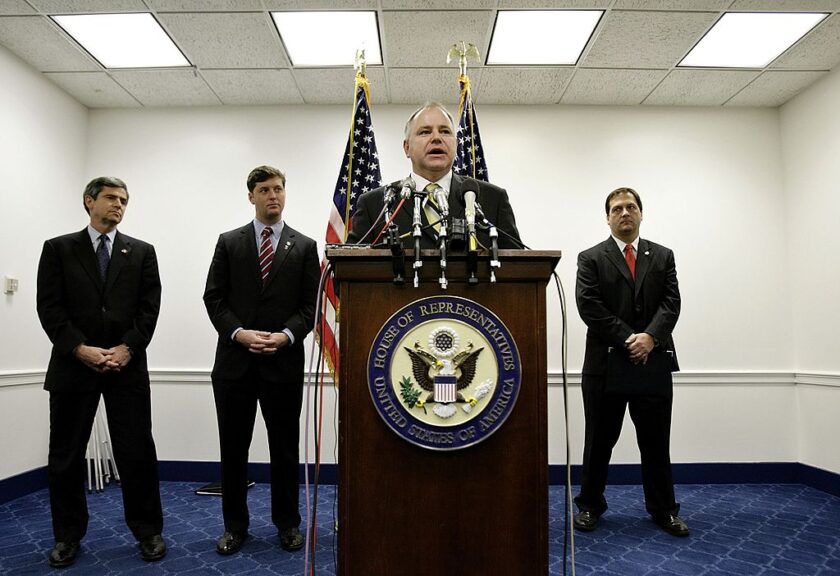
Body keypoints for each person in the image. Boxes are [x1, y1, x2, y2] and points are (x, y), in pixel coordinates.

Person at [36, 176, 166, 567]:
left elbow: (149, 309)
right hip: (73, 366)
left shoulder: (141, 252)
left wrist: (128, 348)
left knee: (137, 452)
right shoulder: (59, 249)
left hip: (126, 366)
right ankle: (67, 537)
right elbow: (50, 308)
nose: (118, 205)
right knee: (66, 455)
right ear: (88, 201)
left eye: (124, 200)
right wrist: (80, 348)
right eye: (110, 198)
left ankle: (148, 532)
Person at [203, 165, 320, 555]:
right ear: (250, 196)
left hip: (282, 363)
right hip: (235, 364)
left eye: (279, 189)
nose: (274, 195)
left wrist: (286, 335)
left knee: (284, 449)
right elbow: (214, 298)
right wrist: (239, 332)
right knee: (233, 449)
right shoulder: (228, 242)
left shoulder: (304, 246)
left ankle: (287, 524)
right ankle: (235, 527)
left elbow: (311, 305)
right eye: (265, 189)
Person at [573, 187, 689, 537]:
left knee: (656, 442)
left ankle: (664, 510)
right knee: (598, 441)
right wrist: (629, 339)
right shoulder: (590, 257)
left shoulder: (663, 256)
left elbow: (671, 303)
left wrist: (650, 338)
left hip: (652, 362)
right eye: (617, 208)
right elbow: (589, 306)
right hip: (605, 365)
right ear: (607, 217)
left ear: (641, 213)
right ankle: (590, 506)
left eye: (631, 207)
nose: (625, 213)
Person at [346, 101, 522, 249]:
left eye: (445, 131)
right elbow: (348, 274)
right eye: (425, 132)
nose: (437, 138)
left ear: (456, 145)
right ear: (407, 148)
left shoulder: (492, 199)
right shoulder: (375, 204)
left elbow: (521, 270)